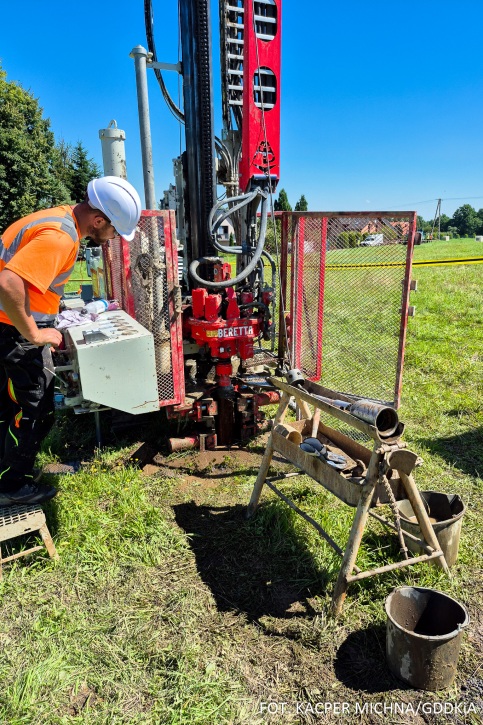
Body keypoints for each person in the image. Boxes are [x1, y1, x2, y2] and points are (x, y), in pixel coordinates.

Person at [0, 176, 142, 505]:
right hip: (13, 331)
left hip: (7, 325)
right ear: (99, 220)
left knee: (9, 405)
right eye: (114, 230)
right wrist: (34, 333)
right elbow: (8, 283)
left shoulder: (54, 217)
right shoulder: (61, 237)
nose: (112, 238)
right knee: (36, 409)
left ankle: (6, 470)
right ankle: (11, 487)